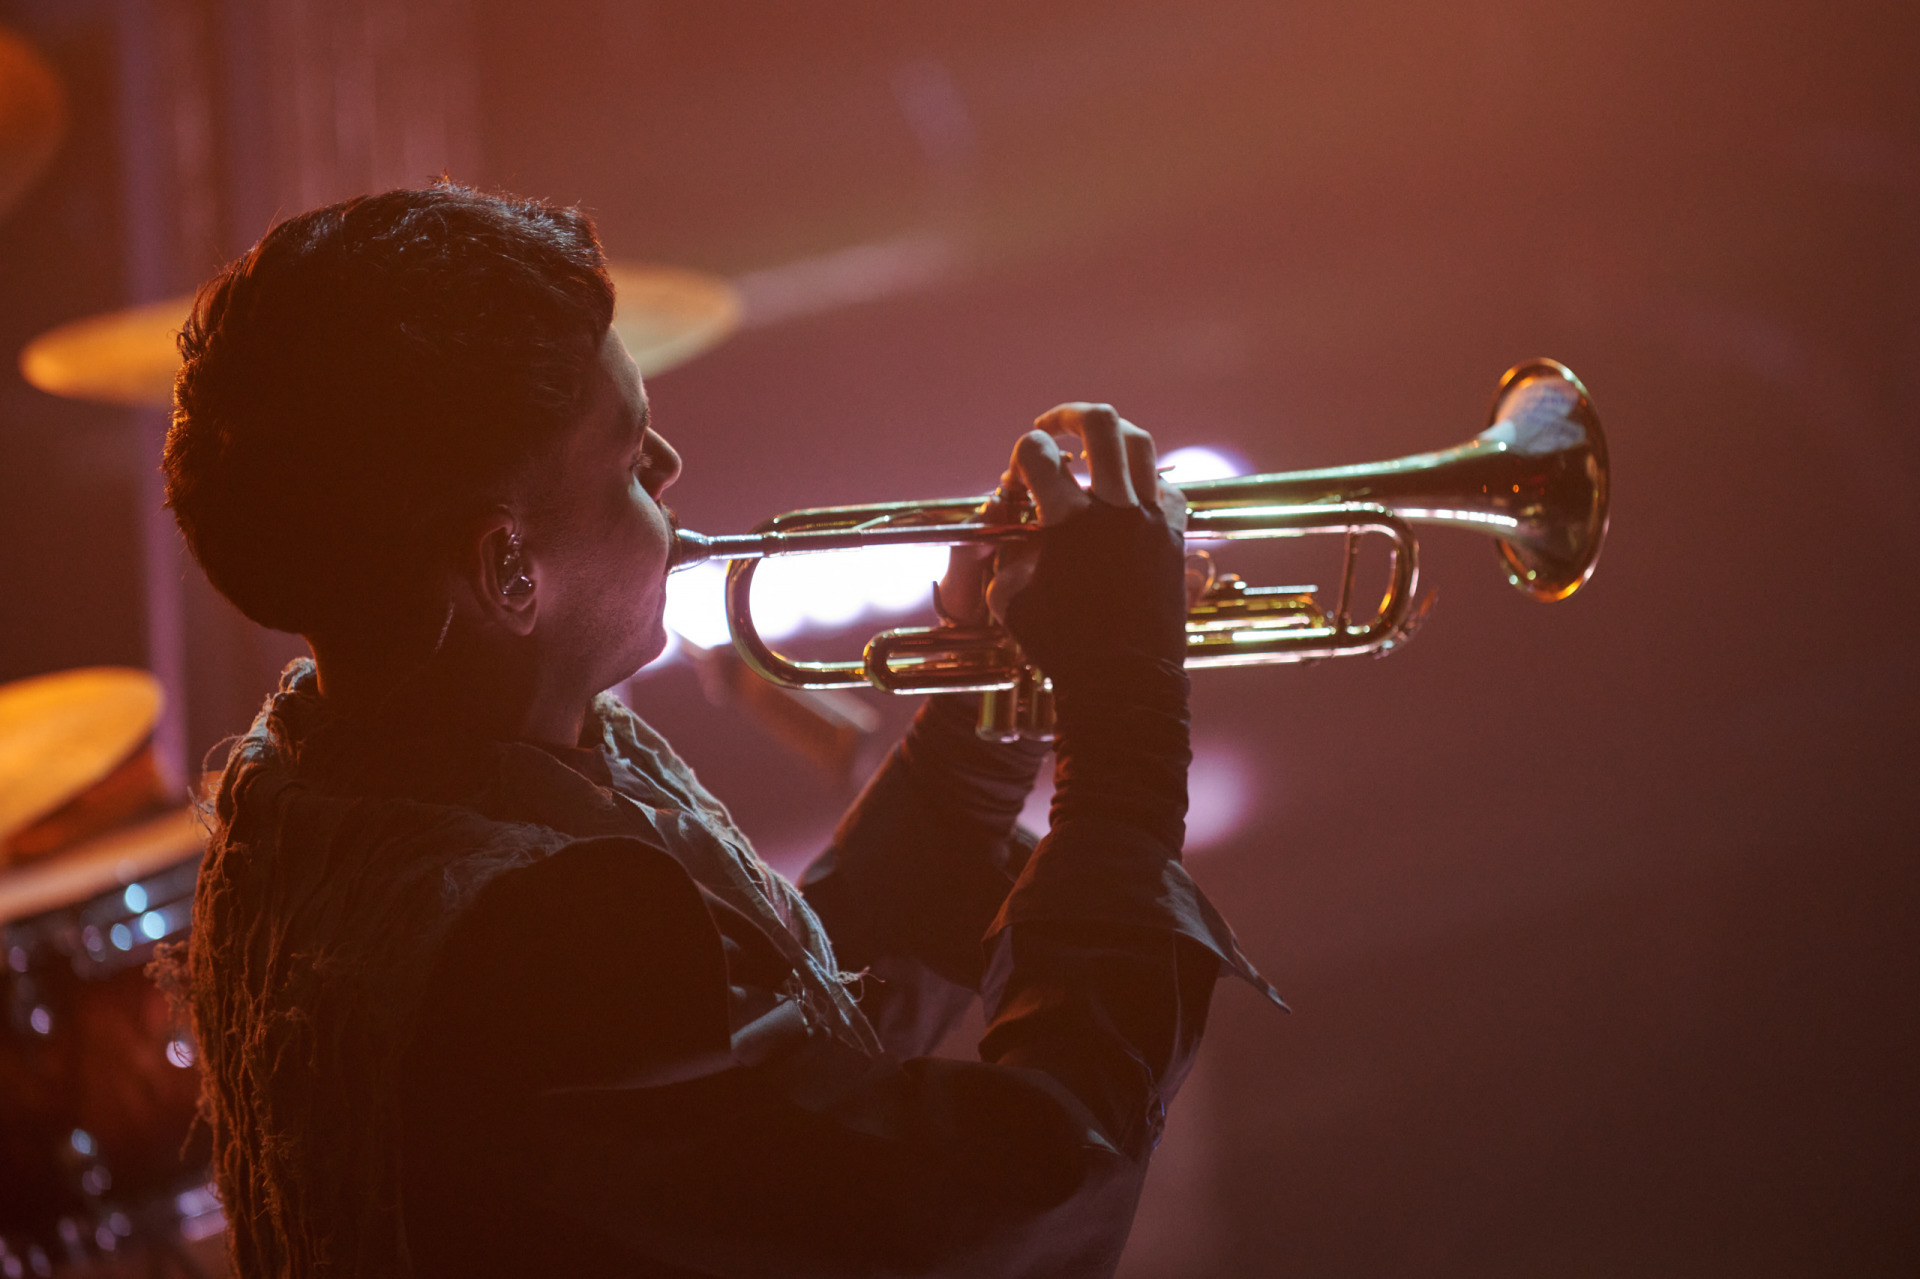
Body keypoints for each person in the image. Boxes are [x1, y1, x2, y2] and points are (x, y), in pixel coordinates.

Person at [159, 182, 1277, 1279]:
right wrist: (1127, 716)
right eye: (628, 452)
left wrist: (987, 727)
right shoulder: (523, 936)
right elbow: (1020, 1192)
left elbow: (767, 1089)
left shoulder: (320, 786)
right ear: (508, 566)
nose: (671, 469)